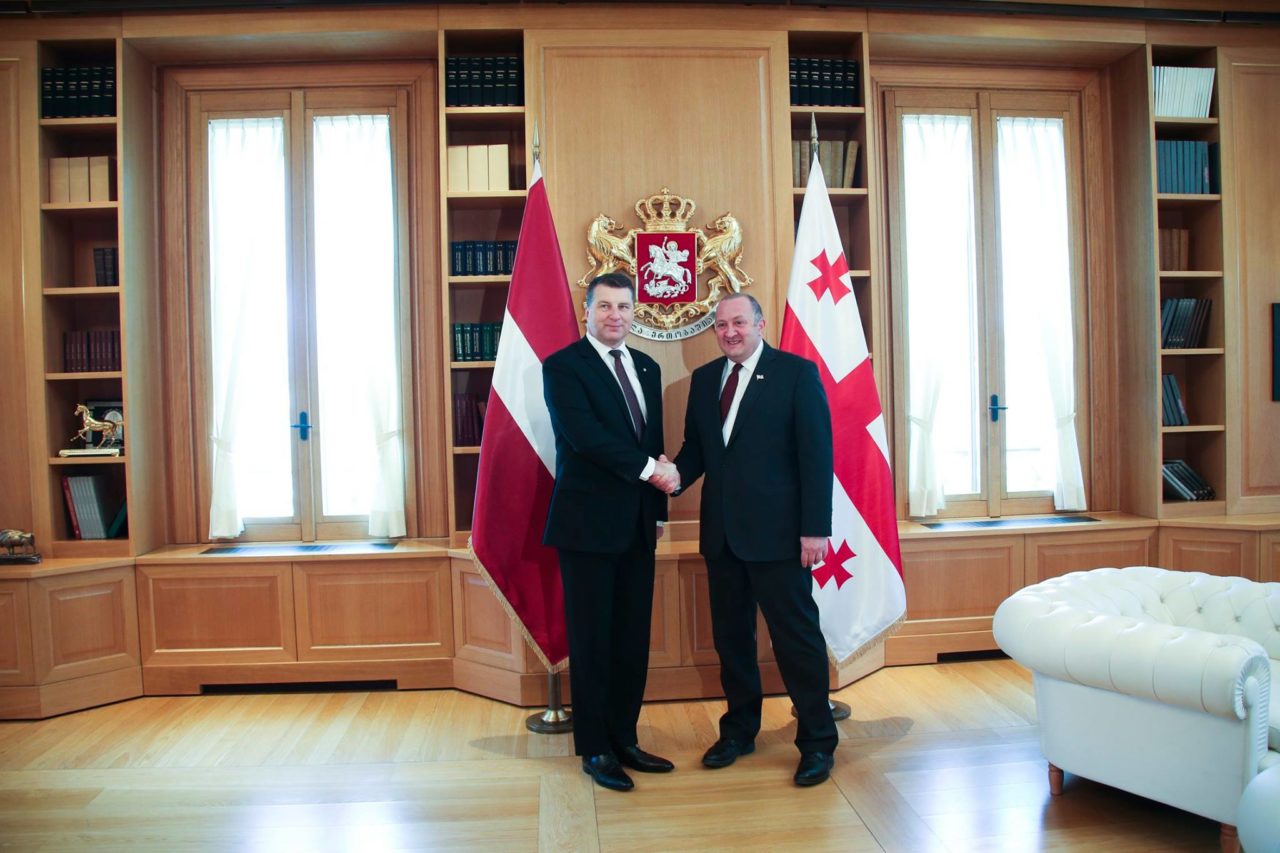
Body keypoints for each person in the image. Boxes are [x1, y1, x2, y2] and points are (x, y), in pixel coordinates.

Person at [672, 292, 838, 787]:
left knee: (796, 640)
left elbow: (816, 455)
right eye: (722, 325)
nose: (730, 332)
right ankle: (739, 732)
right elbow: (697, 450)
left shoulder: (795, 374)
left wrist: (815, 528)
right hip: (722, 537)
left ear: (760, 325)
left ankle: (817, 741)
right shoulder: (705, 379)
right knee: (732, 640)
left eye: (739, 322)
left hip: (781, 538)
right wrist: (671, 476)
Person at [542, 271, 680, 792]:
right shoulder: (563, 366)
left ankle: (625, 738)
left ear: (634, 312)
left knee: (631, 639)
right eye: (604, 306)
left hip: (639, 526)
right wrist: (653, 472)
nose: (615, 316)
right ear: (587, 311)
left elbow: (652, 438)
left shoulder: (646, 366)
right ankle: (595, 748)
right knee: (593, 640)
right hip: (587, 528)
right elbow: (586, 438)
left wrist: (658, 511)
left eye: (623, 307)